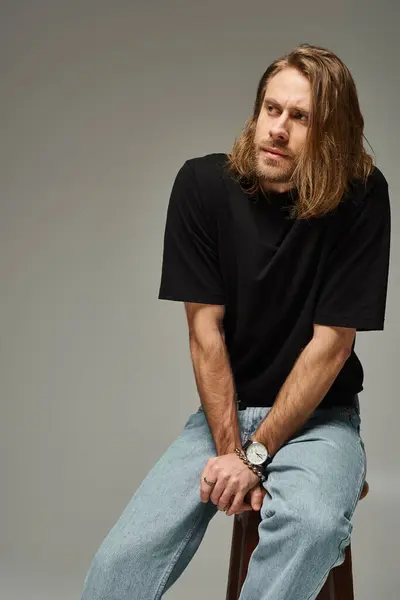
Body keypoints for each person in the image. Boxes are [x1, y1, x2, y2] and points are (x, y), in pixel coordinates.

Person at [80, 43, 391, 600]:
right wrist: (234, 454)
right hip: (224, 415)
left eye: (300, 118)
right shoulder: (201, 187)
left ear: (332, 135)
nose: (278, 128)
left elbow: (332, 346)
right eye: (271, 110)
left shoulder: (362, 197)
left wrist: (257, 455)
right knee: (118, 565)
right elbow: (205, 334)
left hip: (322, 419)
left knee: (314, 527)